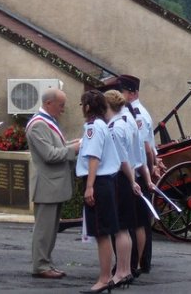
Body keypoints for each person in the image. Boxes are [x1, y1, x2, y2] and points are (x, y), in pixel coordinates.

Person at [26, 88, 79, 279]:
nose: (63, 109)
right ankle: (40, 265)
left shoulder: (48, 122)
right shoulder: (38, 125)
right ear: (49, 103)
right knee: (44, 230)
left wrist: (74, 144)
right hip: (47, 185)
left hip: (53, 185)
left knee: (50, 230)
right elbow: (50, 155)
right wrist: (74, 148)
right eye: (61, 105)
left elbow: (57, 148)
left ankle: (46, 262)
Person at [76, 89, 120, 293]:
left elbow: (94, 157)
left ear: (87, 107)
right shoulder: (102, 124)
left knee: (102, 233)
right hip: (105, 182)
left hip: (99, 182)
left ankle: (104, 278)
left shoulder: (94, 127)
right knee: (104, 232)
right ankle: (106, 277)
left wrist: (90, 186)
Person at [117, 74, 157, 275]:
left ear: (131, 93)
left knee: (138, 221)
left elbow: (145, 149)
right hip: (141, 170)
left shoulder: (136, 114)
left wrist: (148, 173)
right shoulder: (137, 112)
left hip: (138, 172)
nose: (119, 94)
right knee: (139, 220)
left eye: (121, 90)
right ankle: (139, 262)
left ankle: (138, 263)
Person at [104, 90, 141, 288]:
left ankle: (121, 271)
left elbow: (122, 160)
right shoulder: (125, 122)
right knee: (124, 230)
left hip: (118, 178)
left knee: (119, 229)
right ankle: (125, 270)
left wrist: (131, 180)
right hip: (125, 178)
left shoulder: (115, 128)